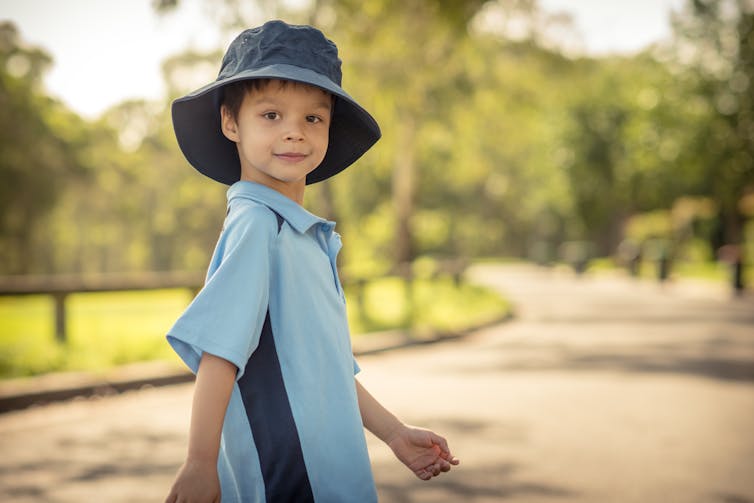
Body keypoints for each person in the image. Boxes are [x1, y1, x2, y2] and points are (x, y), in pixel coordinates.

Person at [164, 20, 459, 503]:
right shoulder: (259, 225)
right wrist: (199, 462)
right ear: (231, 122)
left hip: (334, 478)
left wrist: (393, 433)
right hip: (291, 480)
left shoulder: (302, 234)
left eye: (313, 119)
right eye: (272, 115)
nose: (295, 133)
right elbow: (219, 354)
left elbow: (325, 369)